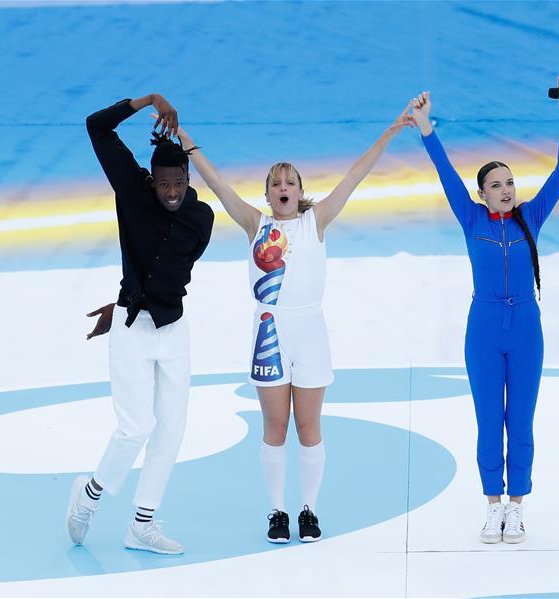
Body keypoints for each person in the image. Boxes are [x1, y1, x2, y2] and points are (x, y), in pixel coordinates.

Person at [175, 104, 413, 543]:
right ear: (267, 195)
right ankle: (277, 511)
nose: (283, 187)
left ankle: (309, 509)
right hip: (269, 332)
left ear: (301, 190)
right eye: (275, 183)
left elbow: (356, 175)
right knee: (275, 429)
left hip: (310, 333)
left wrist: (392, 130)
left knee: (308, 428)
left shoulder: (315, 222)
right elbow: (216, 181)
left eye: (290, 182)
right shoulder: (255, 223)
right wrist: (182, 135)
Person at [410, 83, 559, 544]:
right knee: (489, 419)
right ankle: (492, 506)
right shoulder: (471, 219)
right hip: (483, 329)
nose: (506, 190)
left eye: (510, 183)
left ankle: (517, 507)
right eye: (496, 185)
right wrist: (426, 127)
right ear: (482, 195)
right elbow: (444, 171)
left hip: (526, 327)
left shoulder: (531, 217)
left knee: (520, 419)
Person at [67, 94, 214, 555]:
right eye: (164, 185)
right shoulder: (132, 190)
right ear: (152, 180)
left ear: (188, 179)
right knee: (135, 427)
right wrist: (148, 99)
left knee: (171, 430)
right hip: (132, 328)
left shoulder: (201, 218)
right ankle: (89, 495)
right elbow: (97, 126)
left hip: (173, 330)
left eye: (179, 184)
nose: (171, 193)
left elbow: (173, 270)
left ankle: (141, 525)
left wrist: (130, 291)